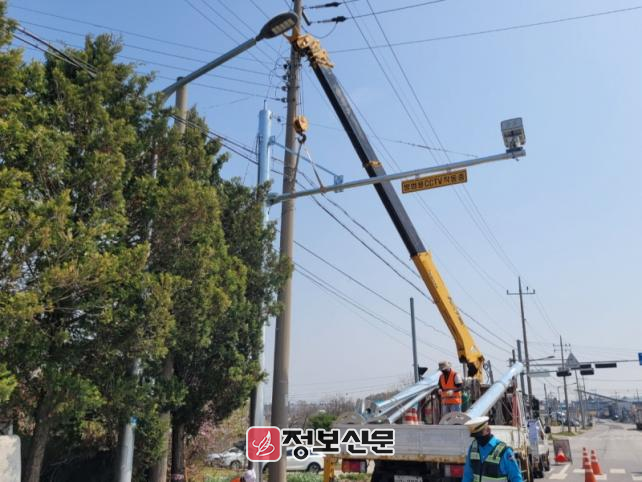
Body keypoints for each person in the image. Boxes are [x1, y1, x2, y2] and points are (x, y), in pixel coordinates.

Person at [463, 417, 524, 482]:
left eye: (480, 434)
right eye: (476, 436)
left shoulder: (504, 451)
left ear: (488, 430)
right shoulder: (473, 449)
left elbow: (516, 477)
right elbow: (467, 475)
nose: (478, 438)